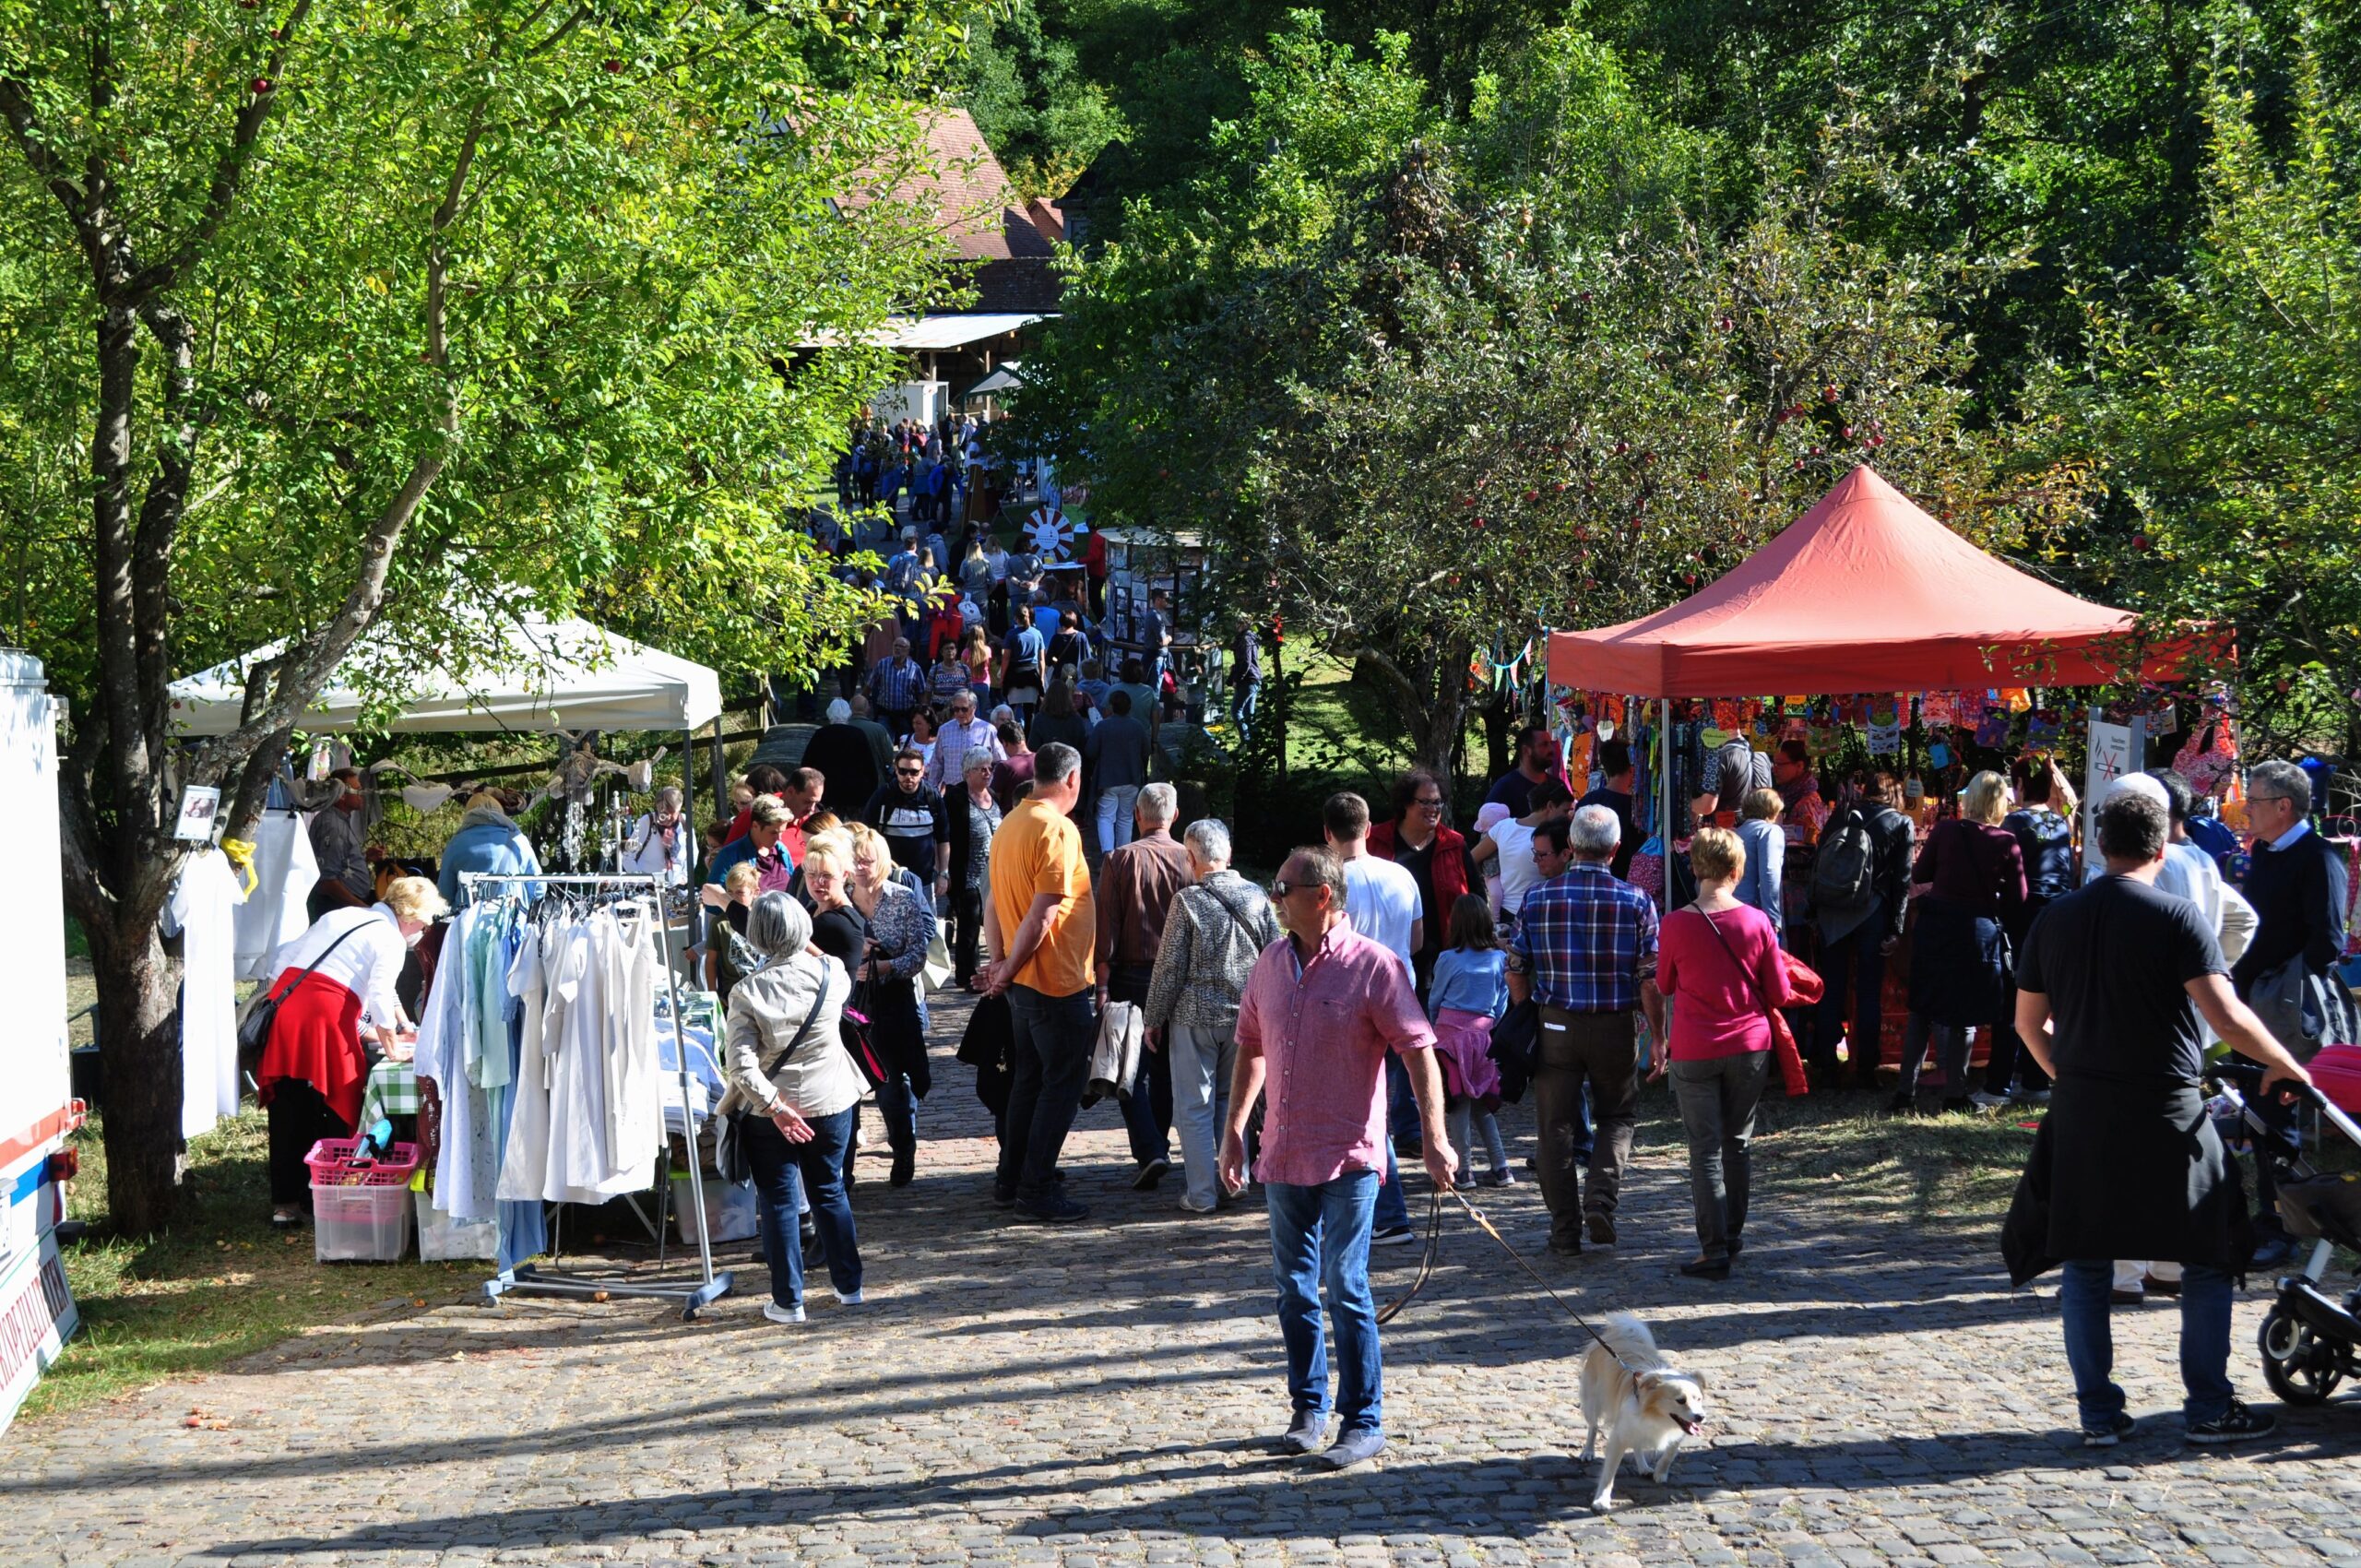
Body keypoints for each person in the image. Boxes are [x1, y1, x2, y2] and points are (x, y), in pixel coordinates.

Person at [2007, 788, 2312, 1446]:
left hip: (2084, 1107)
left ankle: (2098, 1417)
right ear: (2162, 845)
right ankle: (2207, 1408)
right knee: (2207, 1256)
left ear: (2098, 845)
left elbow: (2027, 1024)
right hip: (2165, 1106)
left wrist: (2066, 1074)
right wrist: (2288, 1063)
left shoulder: (2054, 918)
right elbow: (2226, 1016)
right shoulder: (2177, 916)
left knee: (2087, 1265)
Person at [1220, 845, 1457, 1470]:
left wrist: (1433, 1137)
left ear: (1320, 896)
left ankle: (1363, 1419)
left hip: (1350, 1155)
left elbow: (1418, 1052)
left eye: (1282, 887)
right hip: (1283, 1153)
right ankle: (1308, 1407)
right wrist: (1235, 1129)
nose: (1272, 898)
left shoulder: (1373, 967)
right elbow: (1250, 1048)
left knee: (1345, 1286)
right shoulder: (1270, 962)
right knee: (1292, 1290)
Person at [1508, 808, 1662, 1254]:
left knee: (1554, 1128)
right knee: (1617, 1116)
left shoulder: (1537, 898)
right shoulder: (1637, 901)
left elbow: (1516, 967)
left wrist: (1525, 1015)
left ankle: (1564, 1231)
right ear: (1616, 850)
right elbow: (1648, 978)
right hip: (1615, 1025)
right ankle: (1599, 1198)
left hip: (1556, 1024)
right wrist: (1660, 1036)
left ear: (1571, 849)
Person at [257, 876, 445, 1225]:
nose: (425, 928)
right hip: (323, 1015)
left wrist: (403, 1025)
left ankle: (285, 1203)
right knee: (341, 1100)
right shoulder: (388, 938)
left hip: (287, 1007)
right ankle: (334, 1190)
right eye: (425, 920)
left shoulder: (343, 917)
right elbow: (378, 990)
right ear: (410, 916)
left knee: (288, 1104)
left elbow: (285, 960)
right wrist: (393, 1046)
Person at [1652, 827, 1794, 1278]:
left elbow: (1665, 985)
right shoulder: (1758, 923)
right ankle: (1732, 1238)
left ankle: (1712, 1248)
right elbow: (1780, 991)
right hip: (1749, 1045)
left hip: (1695, 1048)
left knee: (1704, 1150)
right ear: (1737, 870)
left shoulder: (1675, 923)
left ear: (1694, 868)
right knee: (1738, 1144)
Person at [2230, 757, 2351, 1267]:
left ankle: (2286, 1228)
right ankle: (2268, 1218)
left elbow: (2329, 941)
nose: (2245, 812)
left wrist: (2277, 982)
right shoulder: (2267, 853)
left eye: (2253, 802)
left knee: (2279, 1116)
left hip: (2284, 1009)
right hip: (2254, 1004)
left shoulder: (2318, 857)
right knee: (2259, 1116)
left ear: (2283, 806)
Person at [722, 891, 861, 1324]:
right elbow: (821, 957)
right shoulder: (832, 975)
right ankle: (849, 1286)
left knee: (779, 1203)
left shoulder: (747, 992)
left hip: (772, 1113)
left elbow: (740, 1065)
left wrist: (776, 1106)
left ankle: (789, 1301)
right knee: (829, 1189)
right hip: (831, 1100)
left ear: (756, 938)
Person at [982, 742, 1098, 1223]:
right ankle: (1036, 1185)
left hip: (1026, 982)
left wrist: (998, 963)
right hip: (1055, 981)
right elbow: (1045, 911)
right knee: (1061, 1086)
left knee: (1028, 1082)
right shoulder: (1056, 829)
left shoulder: (1010, 823)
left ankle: (1012, 1178)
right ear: (1071, 780)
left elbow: (991, 902)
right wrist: (1004, 969)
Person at [1145, 818, 1284, 1213]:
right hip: (1246, 1017)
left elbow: (1169, 967)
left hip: (1195, 1017)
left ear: (1191, 857)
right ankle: (1232, 1180)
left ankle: (1202, 1193)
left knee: (1194, 1105)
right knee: (1232, 1100)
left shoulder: (1187, 901)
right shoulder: (1257, 897)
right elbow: (1276, 953)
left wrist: (1154, 1017)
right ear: (1229, 856)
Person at [1894, 771, 2026, 1114]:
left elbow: (1921, 874)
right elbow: (2019, 897)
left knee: (1922, 1010)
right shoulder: (2006, 842)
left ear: (1969, 799)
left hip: (1937, 925)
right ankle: (1955, 1093)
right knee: (1963, 1016)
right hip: (1977, 931)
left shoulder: (1946, 830)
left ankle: (1904, 1094)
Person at [1095, 783, 1192, 1189]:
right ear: (1174, 816)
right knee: (1167, 1065)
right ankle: (1158, 1144)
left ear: (1136, 816)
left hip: (1131, 973)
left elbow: (1107, 928)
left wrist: (1101, 985)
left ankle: (1150, 1147)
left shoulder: (1119, 860)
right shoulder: (1191, 860)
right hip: (1180, 974)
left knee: (1127, 1066)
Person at [1983, 755, 2079, 1105]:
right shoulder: (2059, 823)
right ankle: (2036, 1079)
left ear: (2020, 785)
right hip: (2058, 917)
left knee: (2012, 1000)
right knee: (2045, 1001)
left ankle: (1998, 1084)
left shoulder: (2012, 823)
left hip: (2020, 918)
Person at [1809, 773, 1914, 1089]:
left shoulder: (1842, 812)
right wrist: (1896, 928)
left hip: (1832, 910)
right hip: (1872, 911)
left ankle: (1826, 1065)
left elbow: (1819, 858)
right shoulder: (1900, 823)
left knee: (1831, 988)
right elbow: (1902, 881)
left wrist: (1814, 910)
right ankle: (1866, 1069)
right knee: (1869, 993)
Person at [842, 825, 933, 1188]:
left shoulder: (902, 898)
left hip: (891, 1005)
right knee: (847, 1091)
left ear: (882, 861)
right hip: (849, 1005)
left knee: (891, 1088)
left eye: (868, 860)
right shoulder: (840, 899)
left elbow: (918, 956)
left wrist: (884, 965)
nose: (861, 867)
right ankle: (843, 1172)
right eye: (856, 861)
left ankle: (903, 1146)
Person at [1428, 895, 1514, 1188]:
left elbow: (1435, 1000)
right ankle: (1501, 1166)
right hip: (1484, 1038)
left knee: (1458, 1104)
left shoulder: (1448, 959)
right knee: (1481, 1105)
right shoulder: (1499, 959)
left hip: (1450, 1040)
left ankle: (1464, 1170)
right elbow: (1502, 1004)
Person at [1367, 769, 1470, 997]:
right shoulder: (1375, 840)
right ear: (1405, 804)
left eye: (1438, 802)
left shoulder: (1454, 843)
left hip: (1445, 957)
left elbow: (1476, 899)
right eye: (1425, 802)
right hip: (1387, 955)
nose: (1433, 809)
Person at [1469, 778, 1576, 927]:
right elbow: (1469, 860)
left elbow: (1470, 859)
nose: (1568, 817)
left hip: (1509, 914)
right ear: (1550, 806)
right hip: (1538, 913)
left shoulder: (1503, 827)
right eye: (1565, 811)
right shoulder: (1556, 837)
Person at [860, 746, 952, 907]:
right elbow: (865, 836)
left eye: (914, 772)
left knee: (926, 929)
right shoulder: (883, 796)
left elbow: (943, 838)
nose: (908, 777)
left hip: (923, 881)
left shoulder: (932, 797)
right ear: (896, 770)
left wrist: (943, 873)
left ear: (923, 771)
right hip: (888, 880)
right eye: (903, 771)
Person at [943, 751, 1003, 987]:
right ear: (968, 773)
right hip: (967, 874)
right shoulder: (955, 798)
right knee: (969, 928)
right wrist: (944, 872)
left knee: (993, 923)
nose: (987, 772)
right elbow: (946, 836)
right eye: (982, 769)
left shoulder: (994, 796)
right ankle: (968, 977)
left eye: (990, 768)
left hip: (995, 874)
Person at [436, 790, 541, 907]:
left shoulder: (456, 843)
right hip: (511, 919)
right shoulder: (518, 840)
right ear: (499, 811)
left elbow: (444, 895)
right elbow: (539, 888)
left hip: (468, 920)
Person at [1086, 689, 1154, 856]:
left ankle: (1108, 855)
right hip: (1132, 778)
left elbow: (1090, 751)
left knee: (1105, 817)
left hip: (1107, 779)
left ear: (1111, 707)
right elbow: (1146, 751)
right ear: (1129, 707)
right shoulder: (1137, 726)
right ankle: (1123, 854)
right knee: (1126, 818)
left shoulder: (1103, 726)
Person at [307, 767, 375, 916]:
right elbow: (328, 882)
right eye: (357, 790)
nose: (362, 794)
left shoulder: (340, 820)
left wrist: (364, 858)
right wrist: (365, 910)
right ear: (342, 796)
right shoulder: (333, 826)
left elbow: (338, 862)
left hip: (344, 907)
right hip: (339, 909)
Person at [706, 793, 797, 904]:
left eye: (782, 832)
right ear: (755, 826)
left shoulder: (782, 851)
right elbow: (713, 903)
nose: (779, 838)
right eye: (773, 832)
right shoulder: (730, 855)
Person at [802, 699, 886, 816]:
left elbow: (807, 766)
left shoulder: (821, 734)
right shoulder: (858, 734)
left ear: (829, 713)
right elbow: (870, 768)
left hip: (827, 793)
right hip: (855, 795)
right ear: (849, 714)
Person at [1577, 741, 1639, 882]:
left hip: (1583, 877)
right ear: (1631, 768)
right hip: (1620, 881)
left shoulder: (1586, 801)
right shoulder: (1634, 809)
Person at [925, 688, 1005, 796]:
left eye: (964, 709)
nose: (959, 713)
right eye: (956, 709)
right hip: (952, 793)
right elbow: (937, 763)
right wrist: (932, 791)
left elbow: (1001, 762)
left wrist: (991, 785)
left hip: (980, 793)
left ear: (974, 708)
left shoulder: (987, 730)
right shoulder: (944, 730)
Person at [1733, 789, 1786, 937]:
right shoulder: (1770, 831)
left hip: (1732, 910)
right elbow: (1770, 873)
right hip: (1754, 915)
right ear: (1773, 810)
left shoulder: (1737, 833)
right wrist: (1773, 917)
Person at [1483, 725, 1560, 817]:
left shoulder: (1558, 787)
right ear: (1526, 750)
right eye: (1544, 744)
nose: (1551, 749)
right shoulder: (1504, 790)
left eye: (1550, 743)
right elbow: (1491, 830)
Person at [620, 785, 690, 885]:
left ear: (678, 809)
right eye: (664, 813)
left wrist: (685, 875)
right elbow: (628, 856)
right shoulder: (646, 822)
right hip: (649, 888)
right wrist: (642, 881)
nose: (668, 817)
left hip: (675, 886)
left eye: (672, 813)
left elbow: (692, 852)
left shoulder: (684, 822)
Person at [1770, 740, 1829, 841]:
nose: (1774, 769)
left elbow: (1810, 846)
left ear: (1799, 766)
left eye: (1779, 765)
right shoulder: (1789, 794)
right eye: (1774, 764)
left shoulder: (1807, 804)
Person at [1000, 613, 1048, 727]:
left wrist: (1002, 677)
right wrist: (1041, 678)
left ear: (1016, 618)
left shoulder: (1011, 634)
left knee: (1010, 712)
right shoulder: (1037, 633)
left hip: (1013, 676)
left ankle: (1009, 735)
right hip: (1031, 675)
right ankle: (1028, 739)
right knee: (1029, 712)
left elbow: (1006, 658)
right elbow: (1042, 659)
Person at [991, 720, 1036, 811]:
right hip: (1042, 817)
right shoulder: (1042, 759)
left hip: (1013, 819)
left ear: (1004, 743)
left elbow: (994, 800)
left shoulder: (1005, 766)